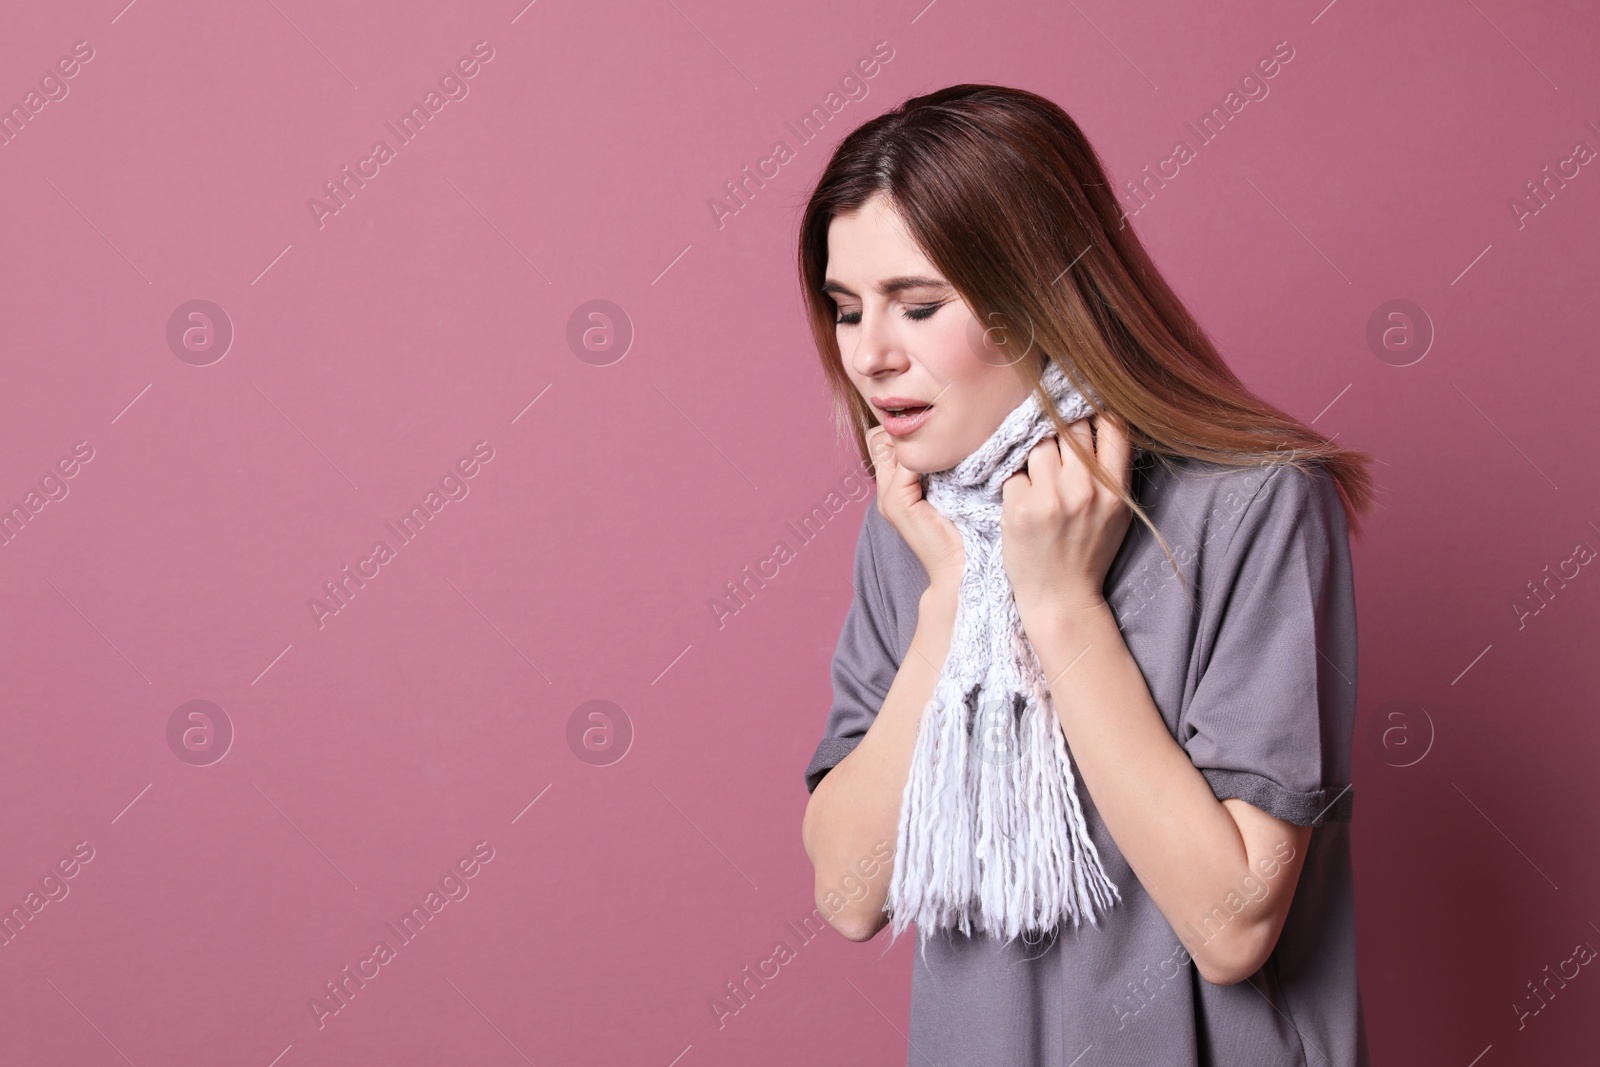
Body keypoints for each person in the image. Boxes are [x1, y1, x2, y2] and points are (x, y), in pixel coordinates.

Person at [797, 84, 1375, 1067]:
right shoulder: (911, 527)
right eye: (847, 309)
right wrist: (949, 608)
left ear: (1037, 293)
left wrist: (1061, 606)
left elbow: (1232, 923)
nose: (869, 355)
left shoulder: (1256, 505)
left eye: (918, 303)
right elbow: (851, 891)